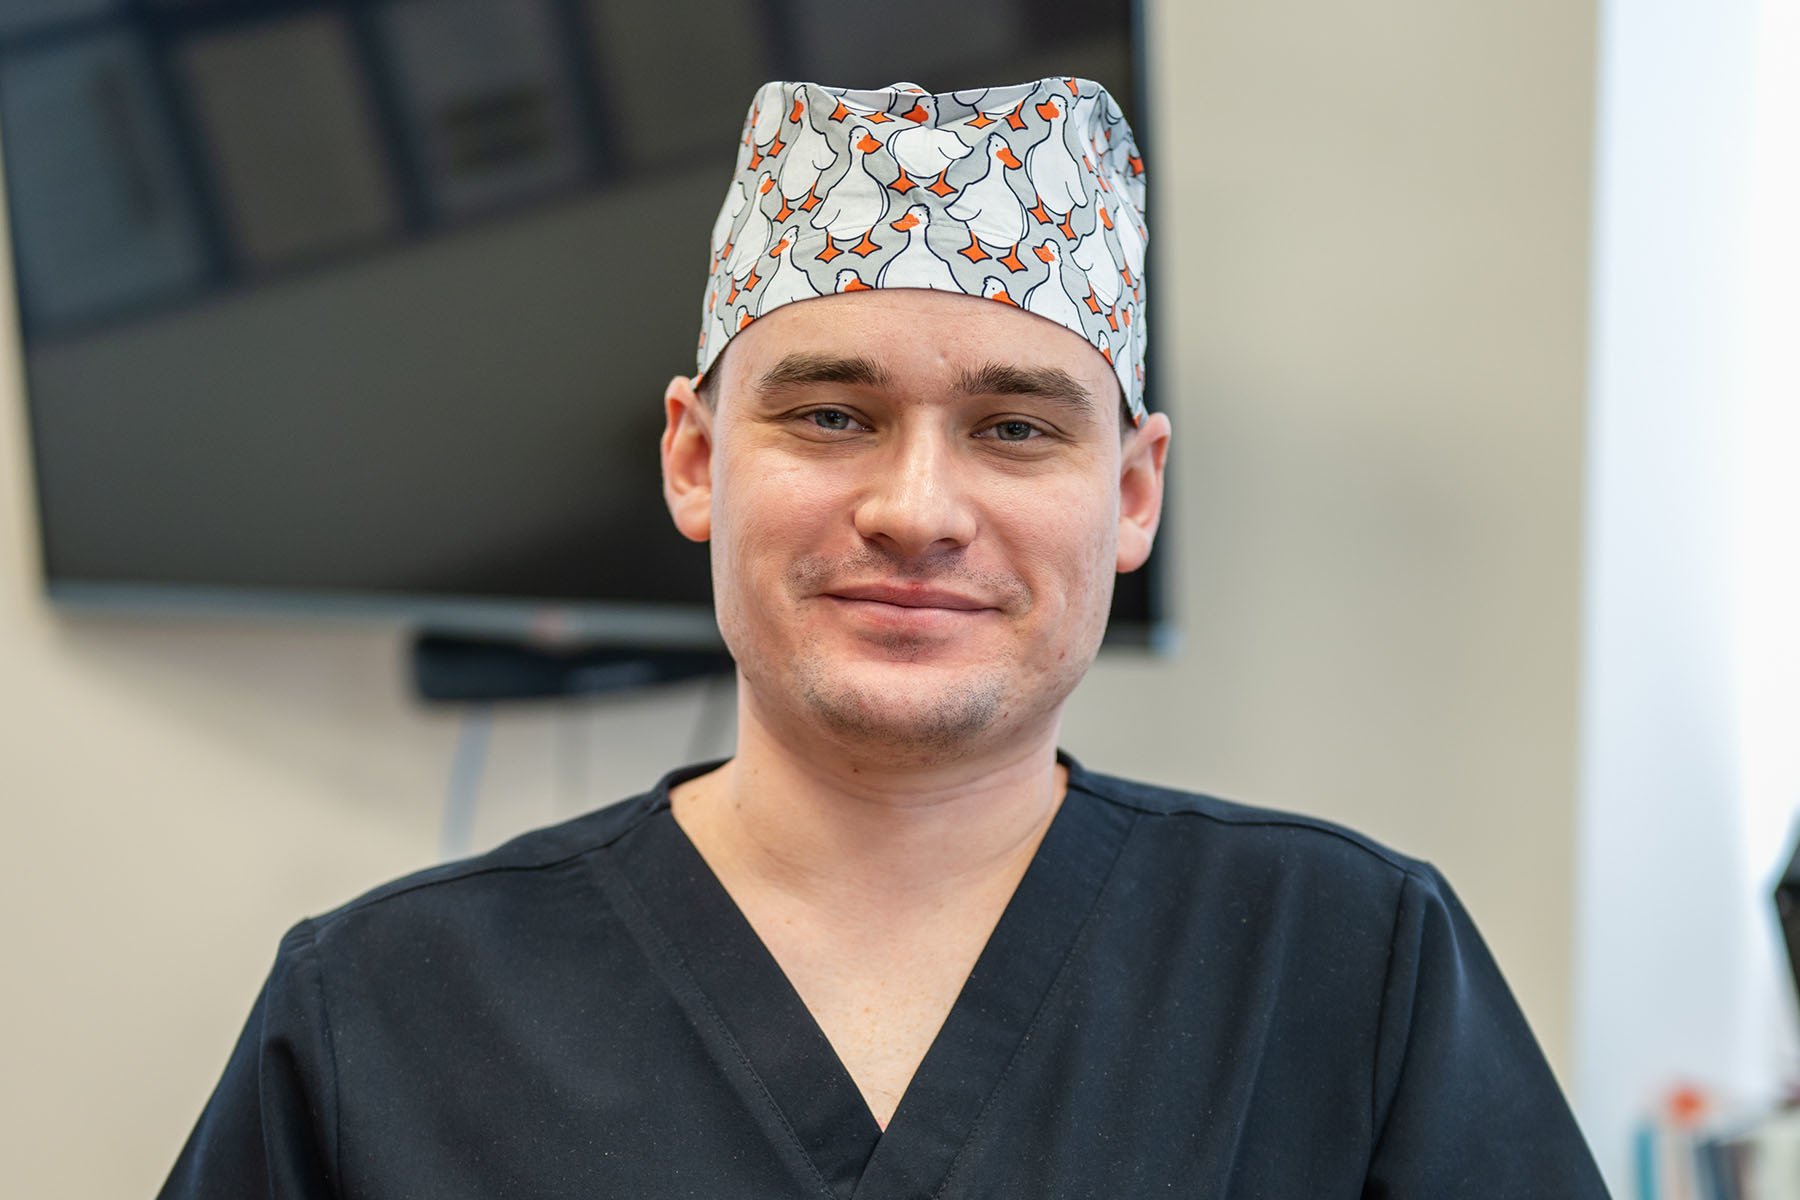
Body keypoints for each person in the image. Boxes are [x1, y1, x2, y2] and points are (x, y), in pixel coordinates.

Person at [158, 78, 1610, 1198]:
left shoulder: (1344, 968)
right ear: (694, 460)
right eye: (830, 416)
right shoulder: (384, 1010)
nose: (916, 511)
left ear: (1131, 492)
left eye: (1016, 428)